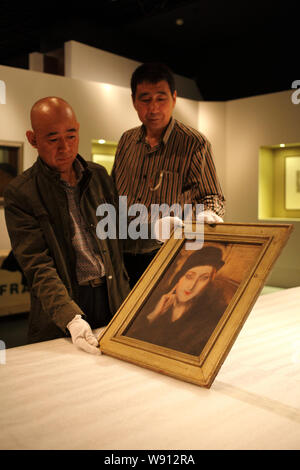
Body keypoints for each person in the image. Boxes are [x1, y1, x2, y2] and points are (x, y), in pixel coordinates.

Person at [4, 97, 130, 354]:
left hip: (111, 298)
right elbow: (37, 264)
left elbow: (121, 234)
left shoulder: (98, 177)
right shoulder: (22, 192)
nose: (65, 147)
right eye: (53, 139)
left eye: (71, 136)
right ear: (32, 138)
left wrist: (156, 230)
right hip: (65, 304)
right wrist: (70, 317)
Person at [112, 62, 225, 288]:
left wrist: (208, 214)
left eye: (161, 98)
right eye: (145, 99)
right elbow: (113, 195)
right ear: (134, 100)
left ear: (174, 98)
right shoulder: (126, 140)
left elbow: (212, 197)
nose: (153, 108)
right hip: (124, 251)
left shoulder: (194, 143)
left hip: (168, 253)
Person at [125, 246, 234, 356]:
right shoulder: (155, 299)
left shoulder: (210, 318)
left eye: (203, 278)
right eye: (189, 276)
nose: (191, 286)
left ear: (209, 283)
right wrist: (154, 315)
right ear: (180, 277)